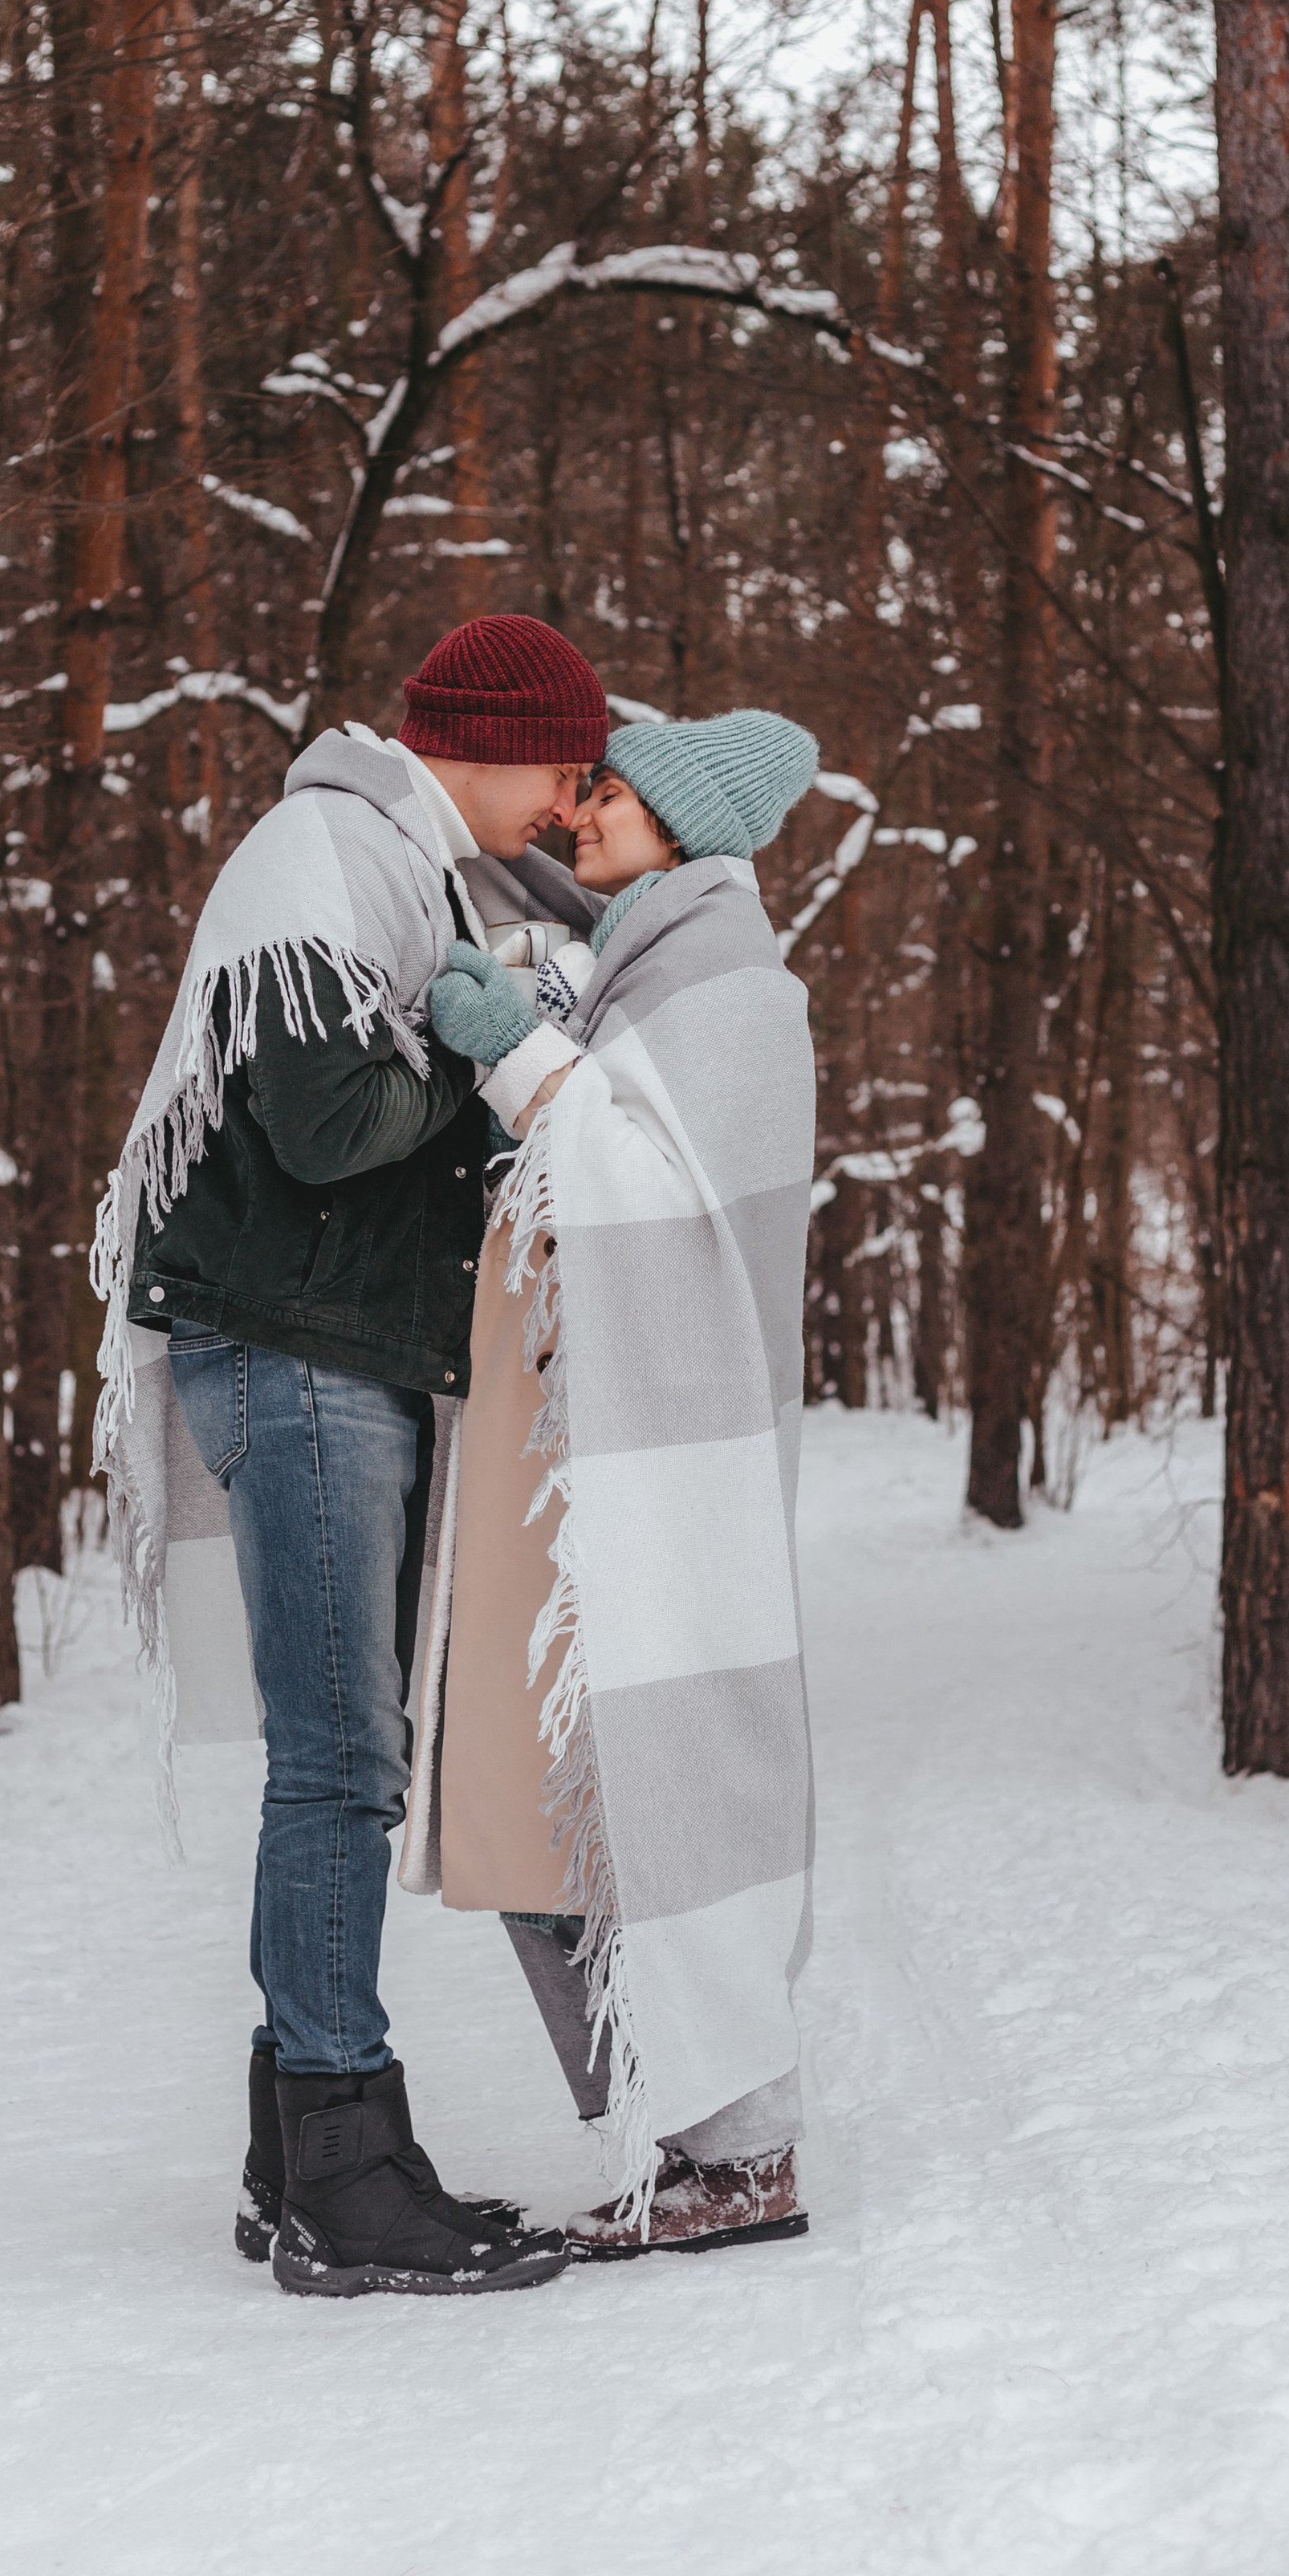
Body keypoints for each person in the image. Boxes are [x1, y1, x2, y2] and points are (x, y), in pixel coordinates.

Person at [91, 615, 606, 2299]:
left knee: (340, 1759)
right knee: (340, 1766)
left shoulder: (410, 867)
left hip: (330, 1353)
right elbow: (321, 1130)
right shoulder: (330, 852)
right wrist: (478, 1056)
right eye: (560, 763)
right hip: (296, 1352)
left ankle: (290, 2150)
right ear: (481, 740)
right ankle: (339, 2167)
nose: (568, 795)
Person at [406, 709, 821, 2257]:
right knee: (536, 1799)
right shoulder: (633, 960)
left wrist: (513, 1056)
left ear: (683, 827)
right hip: (578, 1458)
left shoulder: (733, 988)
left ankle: (738, 2153)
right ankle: (675, 2130)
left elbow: (658, 1196)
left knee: (668, 1784)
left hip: (671, 1465)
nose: (580, 812)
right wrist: (522, 1013)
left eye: (612, 796)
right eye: (587, 787)